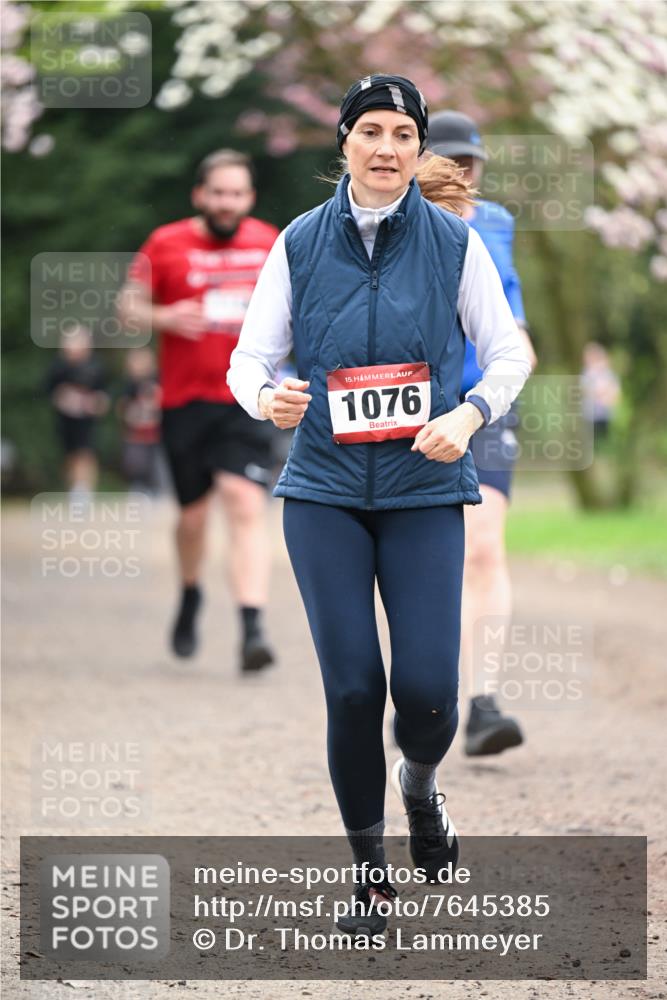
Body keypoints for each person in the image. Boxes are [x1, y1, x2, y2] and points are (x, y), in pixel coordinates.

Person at [228, 75, 531, 933]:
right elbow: (250, 358)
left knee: (429, 692)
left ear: (419, 147)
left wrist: (468, 413)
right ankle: (368, 873)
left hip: (424, 487)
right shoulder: (296, 242)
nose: (388, 147)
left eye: (404, 133)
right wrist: (266, 399)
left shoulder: (453, 243)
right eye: (371, 131)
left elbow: (507, 353)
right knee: (355, 690)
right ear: (345, 142)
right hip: (322, 490)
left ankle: (422, 786)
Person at [118, 150, 279, 670]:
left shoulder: (270, 241)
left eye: (237, 194)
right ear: (200, 196)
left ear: (249, 198)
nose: (227, 203)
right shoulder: (165, 243)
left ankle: (252, 626)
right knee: (192, 517)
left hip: (247, 400)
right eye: (218, 193)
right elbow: (127, 307)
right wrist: (163, 315)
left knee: (244, 501)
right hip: (185, 401)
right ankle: (190, 595)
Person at [422, 112, 538, 757]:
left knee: (484, 547)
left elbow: (510, 315)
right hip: (409, 410)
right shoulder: (387, 223)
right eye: (451, 162)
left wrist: (519, 353)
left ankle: (483, 704)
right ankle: (421, 692)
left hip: (485, 407)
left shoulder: (495, 222)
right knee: (422, 557)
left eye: (473, 163)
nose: (464, 174)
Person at [45, 324, 109, 504]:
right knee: (70, 456)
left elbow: (104, 397)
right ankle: (74, 490)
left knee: (86, 454)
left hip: (88, 422)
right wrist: (63, 398)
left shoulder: (96, 367)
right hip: (65, 422)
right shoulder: (58, 368)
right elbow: (49, 393)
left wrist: (93, 403)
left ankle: (85, 491)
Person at [117, 347, 166, 495]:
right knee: (136, 463)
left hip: (157, 433)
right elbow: (122, 408)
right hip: (136, 434)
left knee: (159, 464)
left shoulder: (160, 379)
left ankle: (160, 490)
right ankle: (139, 487)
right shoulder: (129, 385)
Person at [580, 341, 620, 442]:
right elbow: (584, 390)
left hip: (605, 414)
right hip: (589, 415)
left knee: (603, 440)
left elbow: (615, 393)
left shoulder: (609, 374)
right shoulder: (587, 373)